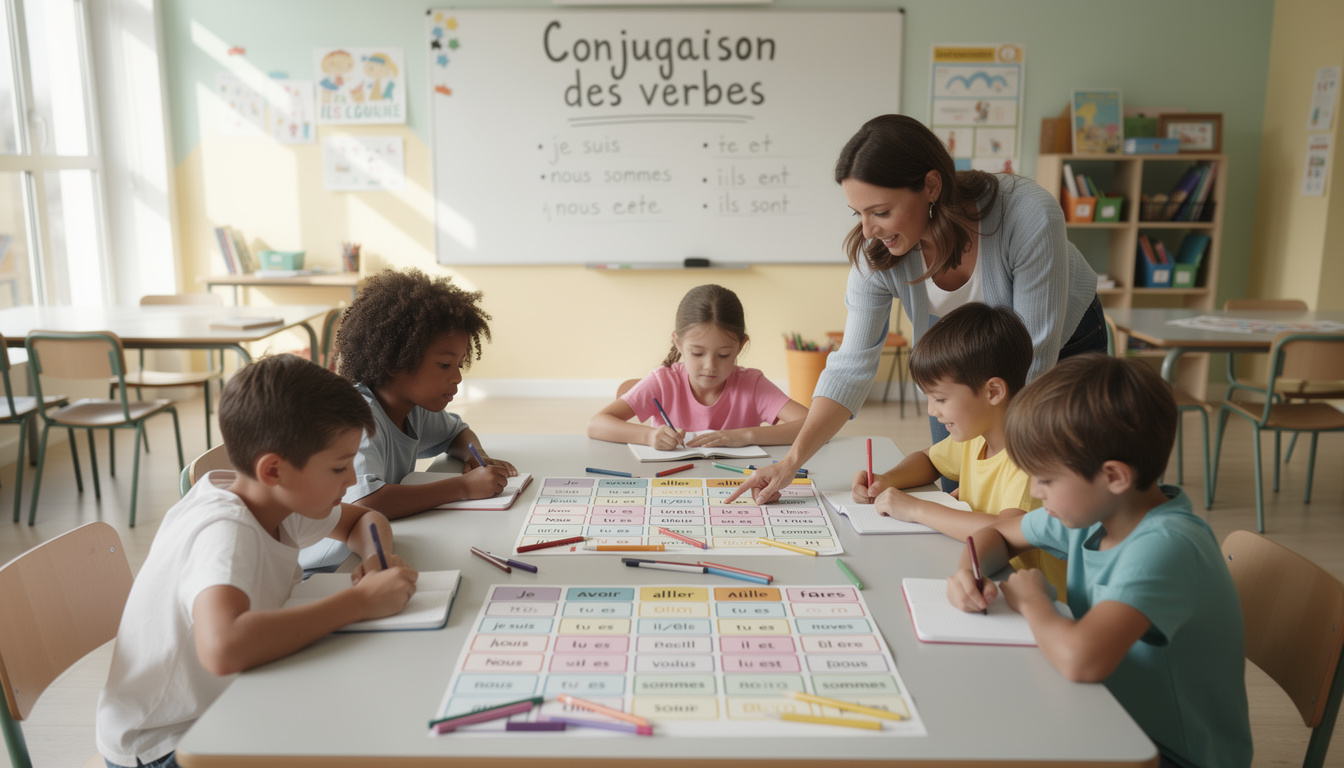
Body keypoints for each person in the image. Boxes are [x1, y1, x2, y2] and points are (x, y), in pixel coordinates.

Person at [729, 114, 1105, 505]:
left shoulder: (1028, 215)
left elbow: (1032, 361)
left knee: (1064, 491)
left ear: (930, 186)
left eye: (880, 212)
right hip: (967, 365)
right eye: (857, 214)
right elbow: (850, 368)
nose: (868, 230)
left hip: (1060, 346)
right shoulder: (875, 256)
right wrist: (790, 463)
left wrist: (991, 472)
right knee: (956, 488)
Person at [96, 355, 418, 768]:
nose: (352, 480)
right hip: (169, 742)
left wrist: (375, 556)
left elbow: (365, 518)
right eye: (339, 467)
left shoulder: (277, 497)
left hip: (227, 700)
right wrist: (359, 604)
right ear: (273, 470)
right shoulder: (224, 531)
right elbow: (224, 648)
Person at [947, 354, 1251, 768]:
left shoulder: (1166, 547)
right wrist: (968, 571)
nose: (1036, 492)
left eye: (1047, 480)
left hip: (1166, 754)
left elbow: (1081, 660)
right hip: (1103, 716)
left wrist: (1032, 599)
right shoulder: (1094, 513)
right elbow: (999, 531)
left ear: (1114, 476)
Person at [300, 268, 515, 571]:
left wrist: (475, 457)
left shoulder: (410, 407)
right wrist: (463, 487)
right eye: (444, 365)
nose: (456, 377)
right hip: (326, 571)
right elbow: (366, 502)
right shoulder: (358, 418)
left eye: (458, 364)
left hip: (368, 552)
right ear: (394, 363)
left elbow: (457, 431)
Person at [851, 302, 1065, 593]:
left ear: (993, 392)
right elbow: (929, 460)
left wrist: (917, 510)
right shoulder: (977, 435)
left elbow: (1003, 532)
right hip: (986, 577)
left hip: (1035, 604)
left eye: (940, 399)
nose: (931, 411)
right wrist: (886, 480)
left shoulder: (1030, 458)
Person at [587, 283, 808, 449]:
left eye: (723, 355)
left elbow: (813, 426)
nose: (710, 366)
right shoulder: (663, 382)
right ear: (678, 343)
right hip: (670, 485)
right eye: (697, 353)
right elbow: (596, 424)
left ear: (740, 346)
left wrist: (745, 436)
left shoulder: (752, 385)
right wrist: (649, 436)